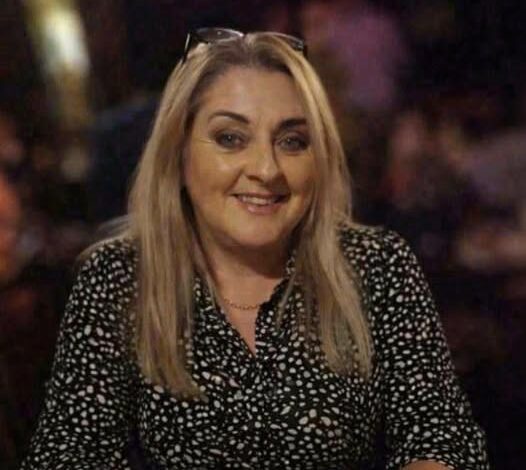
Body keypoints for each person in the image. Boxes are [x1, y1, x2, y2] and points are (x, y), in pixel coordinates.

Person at [21, 29, 488, 469]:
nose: (266, 169)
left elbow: (442, 436)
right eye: (231, 138)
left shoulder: (376, 263)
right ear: (178, 152)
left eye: (292, 141)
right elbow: (68, 454)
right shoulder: (119, 276)